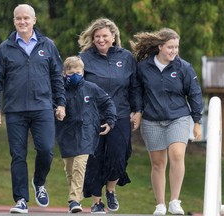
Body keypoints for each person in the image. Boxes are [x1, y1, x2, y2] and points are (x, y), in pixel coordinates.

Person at [0, 4, 66, 214]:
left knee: (46, 150)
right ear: (14, 21)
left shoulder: (47, 45)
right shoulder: (5, 48)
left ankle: (39, 182)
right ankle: (21, 199)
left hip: (43, 108)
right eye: (18, 18)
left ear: (34, 20)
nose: (22, 22)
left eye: (26, 18)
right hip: (15, 110)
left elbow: (57, 77)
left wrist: (61, 103)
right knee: (18, 155)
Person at [130, 28, 203, 215]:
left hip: (178, 117)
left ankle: (174, 201)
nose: (174, 51)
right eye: (170, 47)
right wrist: (137, 111)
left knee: (177, 155)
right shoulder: (144, 67)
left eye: (176, 47)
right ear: (160, 47)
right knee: (158, 163)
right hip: (152, 120)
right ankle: (160, 204)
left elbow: (194, 93)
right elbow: (137, 91)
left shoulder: (184, 68)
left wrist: (197, 121)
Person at [78, 18, 139, 213]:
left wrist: (138, 111)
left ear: (114, 37)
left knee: (119, 156)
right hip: (92, 116)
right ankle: (96, 202)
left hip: (120, 114)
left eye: (105, 36)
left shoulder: (127, 57)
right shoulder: (84, 58)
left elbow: (135, 86)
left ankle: (111, 189)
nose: (101, 39)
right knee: (94, 159)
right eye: (97, 36)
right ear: (92, 38)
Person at [56, 56, 117, 213]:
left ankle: (74, 200)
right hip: (66, 133)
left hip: (86, 132)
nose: (74, 74)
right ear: (64, 74)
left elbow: (108, 103)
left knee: (79, 165)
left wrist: (110, 121)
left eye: (77, 71)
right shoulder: (59, 90)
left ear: (82, 72)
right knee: (70, 169)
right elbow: (52, 107)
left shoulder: (91, 88)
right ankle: (75, 198)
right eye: (70, 72)